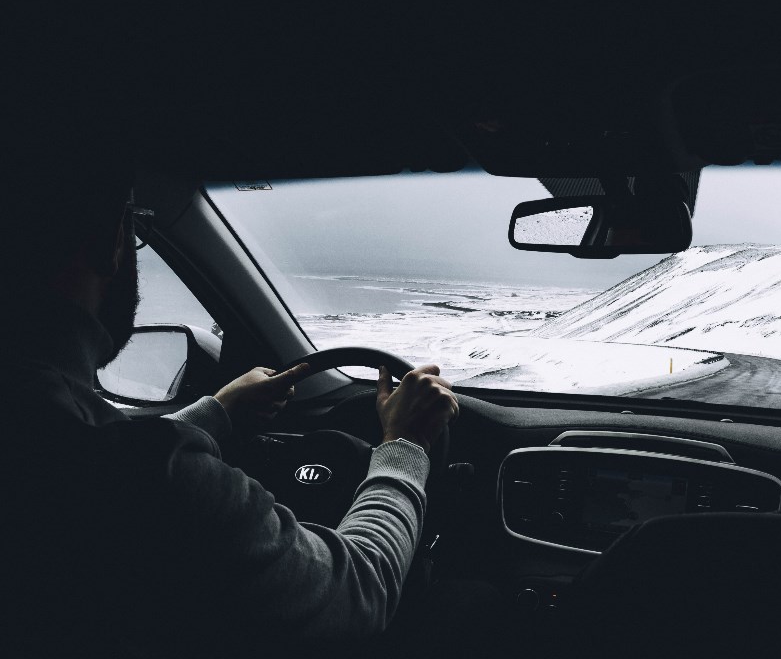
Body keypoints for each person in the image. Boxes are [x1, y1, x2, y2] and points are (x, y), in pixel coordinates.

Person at [0, 148, 459, 657]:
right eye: (132, 226)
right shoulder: (155, 479)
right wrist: (405, 445)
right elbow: (357, 593)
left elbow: (97, 451)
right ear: (108, 238)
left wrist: (215, 411)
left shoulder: (51, 432)